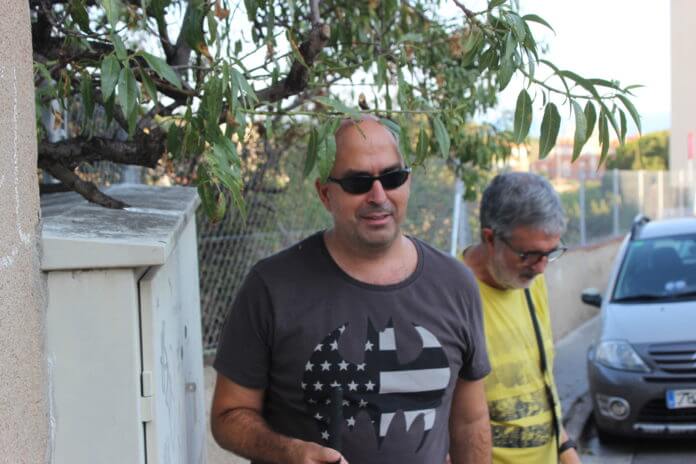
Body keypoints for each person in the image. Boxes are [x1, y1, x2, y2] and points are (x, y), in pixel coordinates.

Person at [210, 116, 492, 464]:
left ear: (407, 182)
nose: (379, 196)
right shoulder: (271, 287)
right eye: (358, 183)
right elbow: (228, 415)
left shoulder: (455, 283)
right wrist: (288, 452)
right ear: (325, 194)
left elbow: (470, 422)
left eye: (392, 177)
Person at [461, 172, 582, 464]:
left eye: (550, 253)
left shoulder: (530, 281)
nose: (541, 268)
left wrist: (568, 452)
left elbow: (541, 387)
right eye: (529, 255)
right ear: (490, 238)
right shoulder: (452, 293)